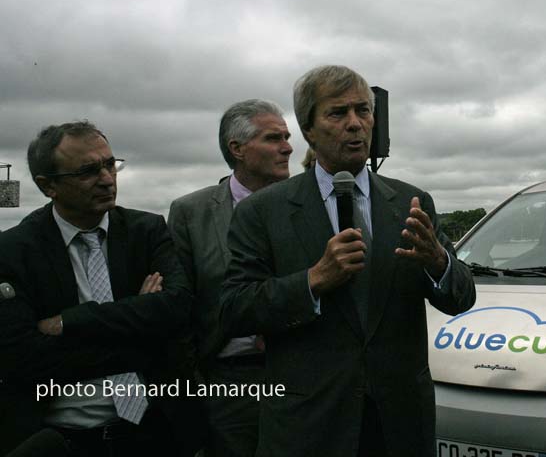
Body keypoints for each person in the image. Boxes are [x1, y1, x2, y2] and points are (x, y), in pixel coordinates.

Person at [219, 65, 476, 456]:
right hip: (309, 427)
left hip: (399, 426)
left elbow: (461, 298)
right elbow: (235, 309)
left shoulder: (411, 202)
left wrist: (437, 261)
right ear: (308, 129)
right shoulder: (262, 211)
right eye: (338, 113)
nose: (355, 124)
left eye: (363, 111)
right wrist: (313, 281)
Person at [0, 121, 201, 457]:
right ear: (48, 186)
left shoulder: (146, 231)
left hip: (154, 432)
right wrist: (140, 325)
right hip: (60, 441)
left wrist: (70, 323)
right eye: (87, 171)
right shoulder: (14, 252)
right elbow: (24, 359)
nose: (107, 179)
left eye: (110, 164)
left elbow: (179, 310)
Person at [168, 99, 293, 457]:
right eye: (273, 138)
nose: (287, 147)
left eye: (286, 136)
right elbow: (181, 307)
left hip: (300, 374)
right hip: (227, 381)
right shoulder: (190, 213)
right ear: (236, 148)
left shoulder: (307, 205)